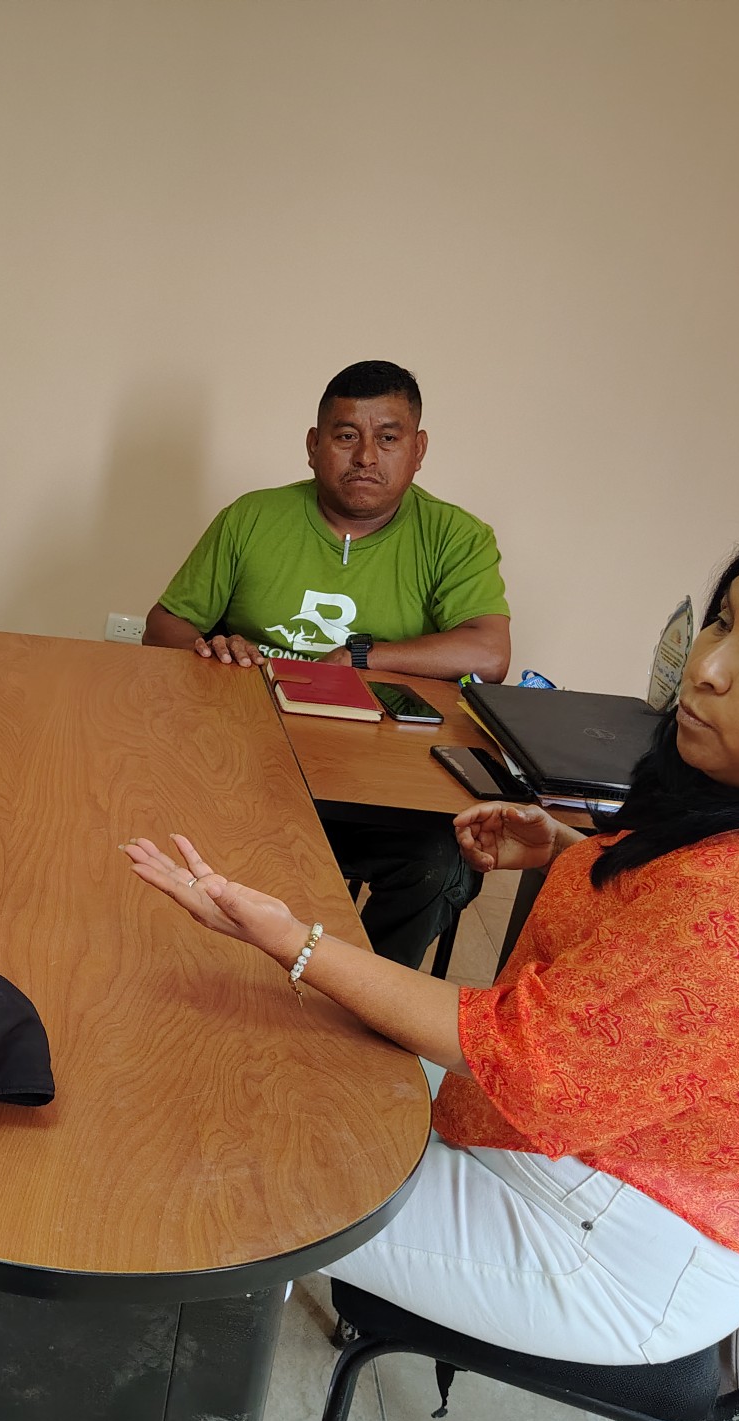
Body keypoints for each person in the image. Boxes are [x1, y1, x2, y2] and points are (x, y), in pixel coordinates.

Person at [125, 515, 739, 1364]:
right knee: (278, 1057)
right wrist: (569, 853)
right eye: (723, 623)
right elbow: (677, 952)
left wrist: (295, 943)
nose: (707, 669)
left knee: (240, 1173)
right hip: (574, 1143)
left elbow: (525, 1053)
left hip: (610, 1242)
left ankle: (179, 1405)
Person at [142, 361, 509, 968]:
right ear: (314, 445)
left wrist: (360, 655)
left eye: (387, 438)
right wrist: (211, 647)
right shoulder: (252, 517)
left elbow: (488, 653)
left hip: (383, 782)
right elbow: (163, 626)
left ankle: (365, 994)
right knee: (174, 830)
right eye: (345, 436)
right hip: (248, 762)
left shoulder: (456, 536)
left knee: (439, 866)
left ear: (418, 450)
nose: (366, 456)